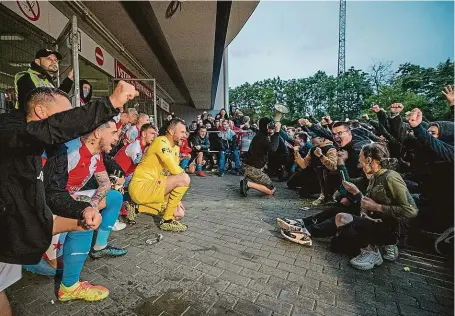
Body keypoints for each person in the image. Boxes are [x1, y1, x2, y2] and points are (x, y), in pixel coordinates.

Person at [0, 81, 137, 315]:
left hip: (19, 229)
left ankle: (65, 279)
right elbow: (45, 131)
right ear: (41, 112)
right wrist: (110, 104)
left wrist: (81, 210)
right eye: (63, 116)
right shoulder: (9, 129)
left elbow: (54, 192)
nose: (68, 125)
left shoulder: (58, 150)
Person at [129, 118, 190, 232]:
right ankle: (166, 221)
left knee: (178, 213)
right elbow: (176, 171)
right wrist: (182, 180)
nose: (185, 135)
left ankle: (137, 207)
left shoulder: (176, 148)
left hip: (157, 186)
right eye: (182, 132)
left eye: (185, 133)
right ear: (171, 132)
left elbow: (173, 175)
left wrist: (178, 199)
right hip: (141, 187)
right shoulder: (160, 141)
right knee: (185, 178)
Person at [240, 118, 281, 196]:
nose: (271, 127)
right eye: (269, 125)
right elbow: (273, 148)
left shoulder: (260, 135)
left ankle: (246, 181)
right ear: (265, 126)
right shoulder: (262, 138)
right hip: (252, 168)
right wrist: (277, 132)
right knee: (271, 189)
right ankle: (248, 184)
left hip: (249, 166)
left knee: (268, 185)